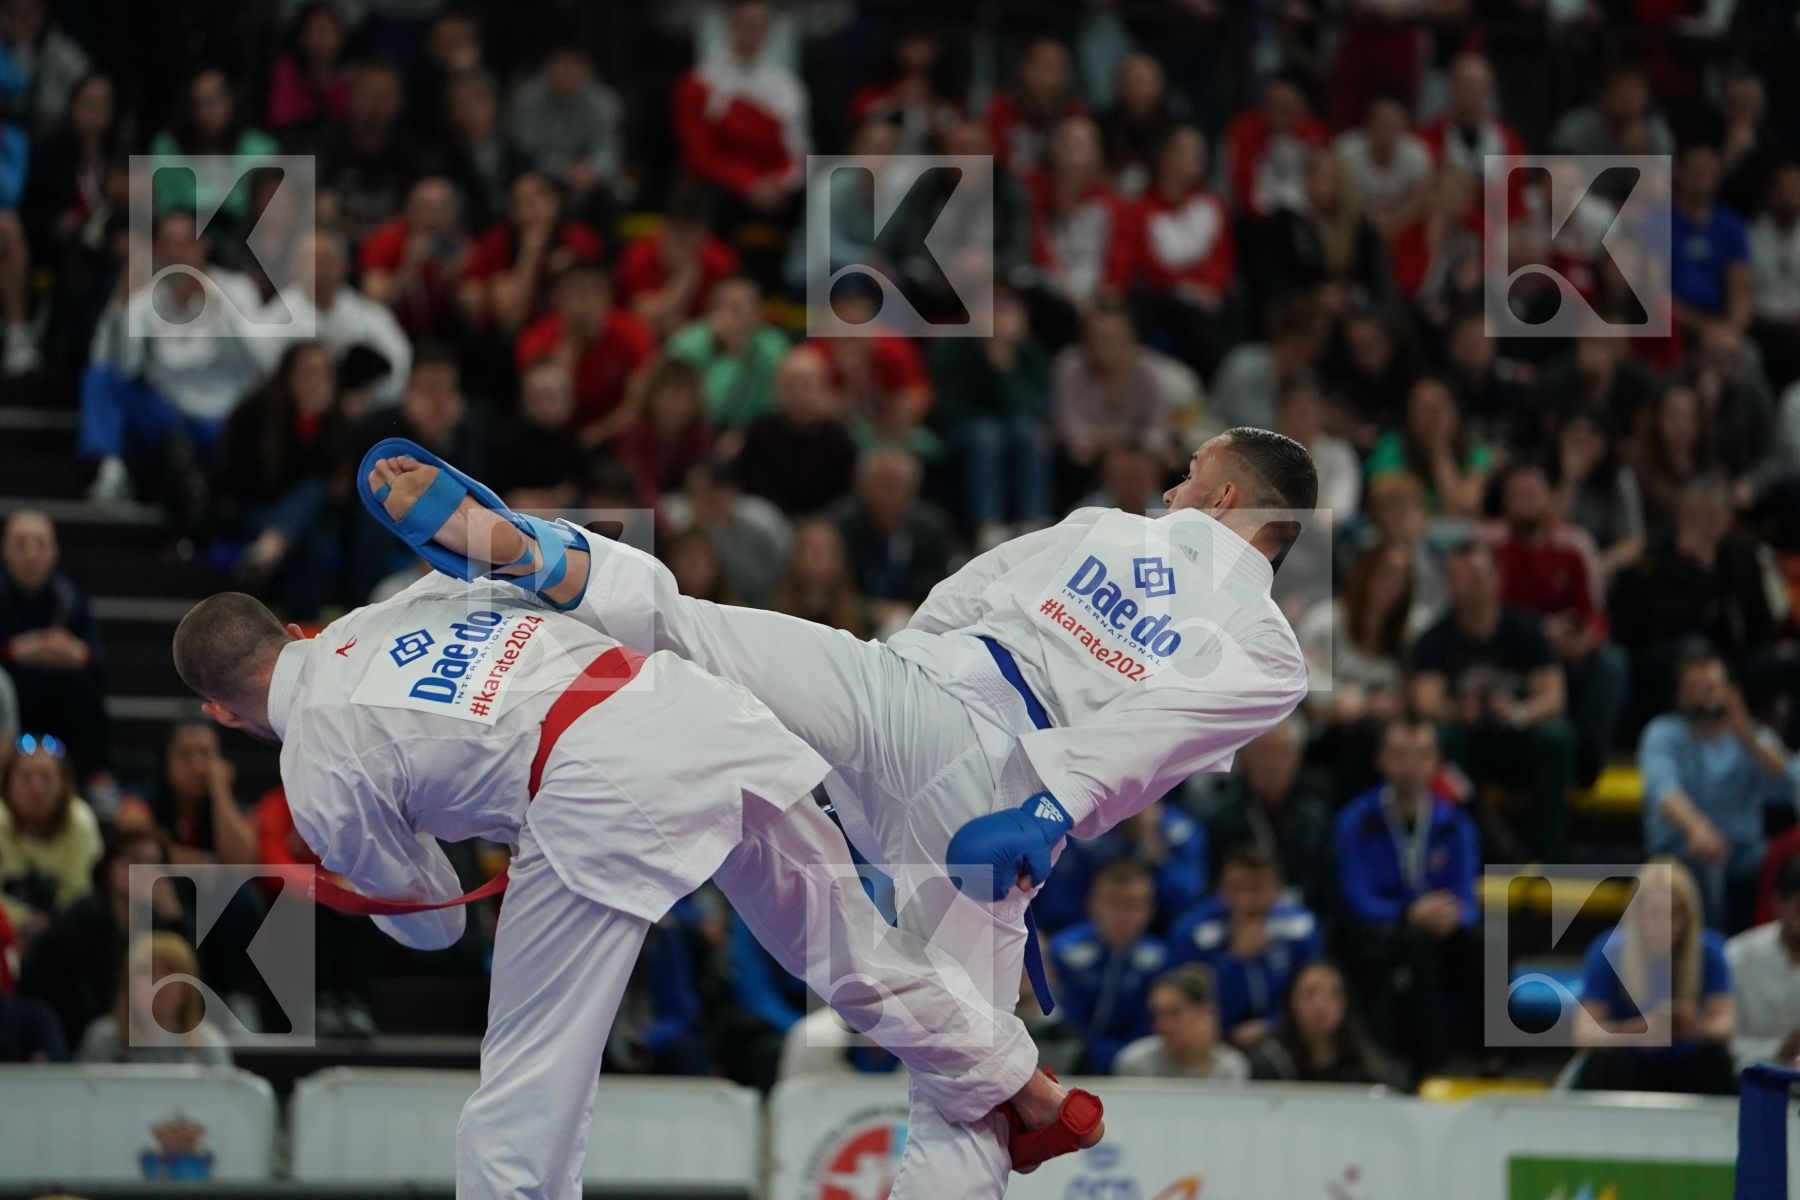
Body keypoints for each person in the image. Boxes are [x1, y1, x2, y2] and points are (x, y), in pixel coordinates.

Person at [362, 420, 1315, 1195]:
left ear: (1228, 495)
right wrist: (1035, 801)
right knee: (962, 1078)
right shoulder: (1196, 596)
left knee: (692, 629)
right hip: (964, 755)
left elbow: (1070, 670)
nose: (1175, 485)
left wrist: (1012, 783)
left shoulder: (1174, 582)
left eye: (1193, 472)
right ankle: (518, 549)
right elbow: (1043, 647)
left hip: (950, 727)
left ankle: (540, 550)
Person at [171, 569, 1086, 1198]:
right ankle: (1027, 1086)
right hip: (692, 709)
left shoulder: (316, 767)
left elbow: (433, 926)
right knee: (850, 946)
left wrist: (354, 879)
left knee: (530, 1076)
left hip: (593, 791)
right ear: (290, 630)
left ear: (218, 709)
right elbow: (521, 587)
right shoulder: (404, 601)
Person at [1410, 540, 1576, 862]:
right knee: (1440, 740)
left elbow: (1554, 697)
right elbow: (1424, 702)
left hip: (1517, 735)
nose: (1467, 583)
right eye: (1458, 576)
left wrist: (1519, 712)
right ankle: (1465, 845)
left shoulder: (1526, 629)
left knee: (1557, 738)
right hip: (1466, 741)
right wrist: (1459, 710)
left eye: (1475, 574)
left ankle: (1548, 852)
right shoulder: (1435, 639)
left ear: (1497, 579)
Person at [1335, 718, 1481, 1076]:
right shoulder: (1357, 820)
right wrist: (1407, 913)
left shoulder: (1455, 822)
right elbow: (1357, 895)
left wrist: (1453, 915)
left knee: (1487, 939)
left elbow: (1467, 895)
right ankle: (1433, 1061)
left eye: (1421, 756)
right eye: (1400, 755)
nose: (1411, 767)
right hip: (1384, 930)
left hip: (1440, 927)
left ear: (1435, 761)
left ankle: (1488, 1055)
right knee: (1416, 944)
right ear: (1382, 761)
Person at [1480, 461, 1628, 787]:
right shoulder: (1486, 543)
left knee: (1611, 663)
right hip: (1507, 655)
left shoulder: (1575, 544)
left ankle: (1584, 768)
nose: (1526, 500)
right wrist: (1540, 632)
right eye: (1517, 493)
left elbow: (1595, 619)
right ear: (1503, 500)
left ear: (1550, 496)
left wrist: (1582, 642)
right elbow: (1480, 614)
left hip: (1565, 655)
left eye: (1533, 492)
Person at [1639, 648, 1794, 931]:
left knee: (1787, 861)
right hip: (1681, 848)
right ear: (1678, 694)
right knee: (1708, 856)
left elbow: (1789, 784)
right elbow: (1664, 792)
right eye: (1693, 687)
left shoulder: (1751, 736)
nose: (1702, 694)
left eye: (1710, 686)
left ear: (1730, 692)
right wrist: (1698, 829)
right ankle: (1709, 956)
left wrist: (1747, 733)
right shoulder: (1663, 733)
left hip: (1745, 851)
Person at [1574, 858, 1736, 1095]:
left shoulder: (1708, 950)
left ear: (1688, 916)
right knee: (1603, 1062)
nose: (1664, 925)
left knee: (1716, 1061)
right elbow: (1584, 1035)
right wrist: (1632, 1032)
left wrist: (1698, 1027)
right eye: (1654, 913)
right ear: (1637, 914)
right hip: (1628, 1062)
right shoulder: (1609, 951)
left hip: (1687, 1060)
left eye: (1674, 913)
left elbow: (1726, 1024)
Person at [1167, 845, 1321, 1054]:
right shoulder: (1193, 933)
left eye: (1257, 889)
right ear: (1221, 888)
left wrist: (1272, 1025)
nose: (1246, 900)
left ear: (1278, 891)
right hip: (1213, 1044)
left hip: (1288, 1039)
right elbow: (1186, 1004)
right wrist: (1236, 960)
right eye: (1236, 888)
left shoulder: (1301, 928)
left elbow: (1313, 995)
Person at [0, 512, 108, 775]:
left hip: (59, 710)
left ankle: (91, 775)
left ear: (54, 551)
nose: (31, 554)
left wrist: (72, 652)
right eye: (21, 544)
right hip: (11, 701)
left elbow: (96, 659)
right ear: (4, 550)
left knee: (83, 687)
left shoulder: (70, 597)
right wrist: (18, 650)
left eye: (40, 544)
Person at [1047, 860, 1168, 1075]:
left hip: (1137, 1067)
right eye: (1114, 903)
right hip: (1069, 1061)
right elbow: (1060, 1017)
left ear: (1150, 909)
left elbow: (1153, 1024)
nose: (1123, 914)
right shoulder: (1064, 951)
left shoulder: (1159, 959)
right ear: (1092, 904)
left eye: (1133, 904)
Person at [1206, 718, 1335, 912]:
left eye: (1281, 753)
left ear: (1297, 759)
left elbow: (1325, 888)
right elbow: (1214, 887)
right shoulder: (1222, 821)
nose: (1271, 765)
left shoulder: (1316, 819)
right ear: (1244, 759)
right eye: (1262, 752)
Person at [826, 446, 954, 630]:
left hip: (912, 621)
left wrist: (909, 608)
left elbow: (938, 584)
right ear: (861, 484)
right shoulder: (840, 525)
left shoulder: (931, 528)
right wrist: (868, 608)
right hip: (848, 622)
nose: (887, 493)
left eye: (895, 484)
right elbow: (828, 586)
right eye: (880, 482)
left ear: (913, 489)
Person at [76, 931, 232, 1065]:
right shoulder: (104, 1040)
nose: (159, 982)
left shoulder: (208, 1044)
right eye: (147, 971)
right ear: (127, 984)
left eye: (170, 971)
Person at [0, 733, 100, 939]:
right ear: (7, 783)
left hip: (66, 932)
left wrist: (51, 925)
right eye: (25, 778)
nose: (37, 789)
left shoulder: (81, 822)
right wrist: (25, 919)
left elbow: (79, 892)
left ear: (64, 784)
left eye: (46, 777)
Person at [1248, 959, 1389, 1085]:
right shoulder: (1271, 1062)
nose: (1321, 1005)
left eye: (1334, 993)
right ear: (1291, 1002)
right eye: (1310, 993)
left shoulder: (1366, 1065)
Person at [1113, 964, 1250, 1081]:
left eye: (1173, 1013)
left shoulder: (1230, 1067)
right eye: (1157, 1015)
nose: (1162, 1025)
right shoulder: (1136, 1062)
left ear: (1204, 1013)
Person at [1726, 858, 1800, 1070]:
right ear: (1778, 903)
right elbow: (1729, 1046)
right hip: (1750, 1087)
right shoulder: (1739, 955)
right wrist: (1781, 1047)